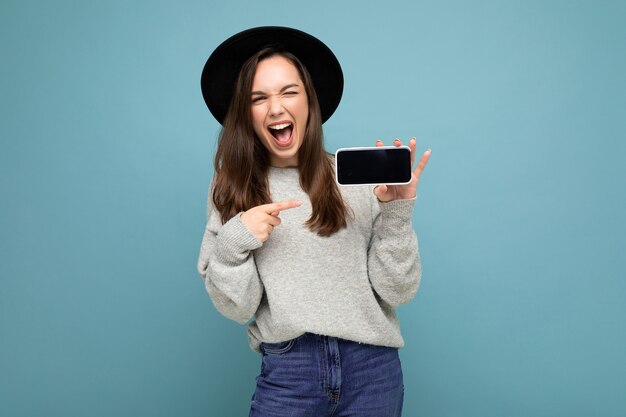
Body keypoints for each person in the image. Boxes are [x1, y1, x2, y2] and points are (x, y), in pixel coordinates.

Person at [197, 26, 431, 417]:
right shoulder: (232, 187)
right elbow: (238, 307)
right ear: (246, 113)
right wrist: (235, 240)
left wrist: (396, 214)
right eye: (259, 98)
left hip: (372, 369)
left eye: (289, 92)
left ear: (310, 102)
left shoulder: (353, 182)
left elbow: (398, 292)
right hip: (290, 370)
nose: (276, 108)